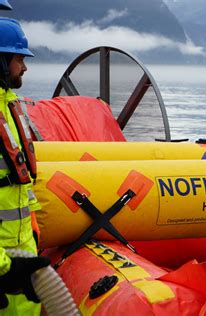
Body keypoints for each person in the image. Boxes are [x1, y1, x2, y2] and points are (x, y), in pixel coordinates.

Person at [0, 17, 51, 315]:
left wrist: (31, 230)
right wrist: (5, 268)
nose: (25, 67)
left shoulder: (10, 108)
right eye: (19, 59)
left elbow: (19, 180)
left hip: (20, 255)